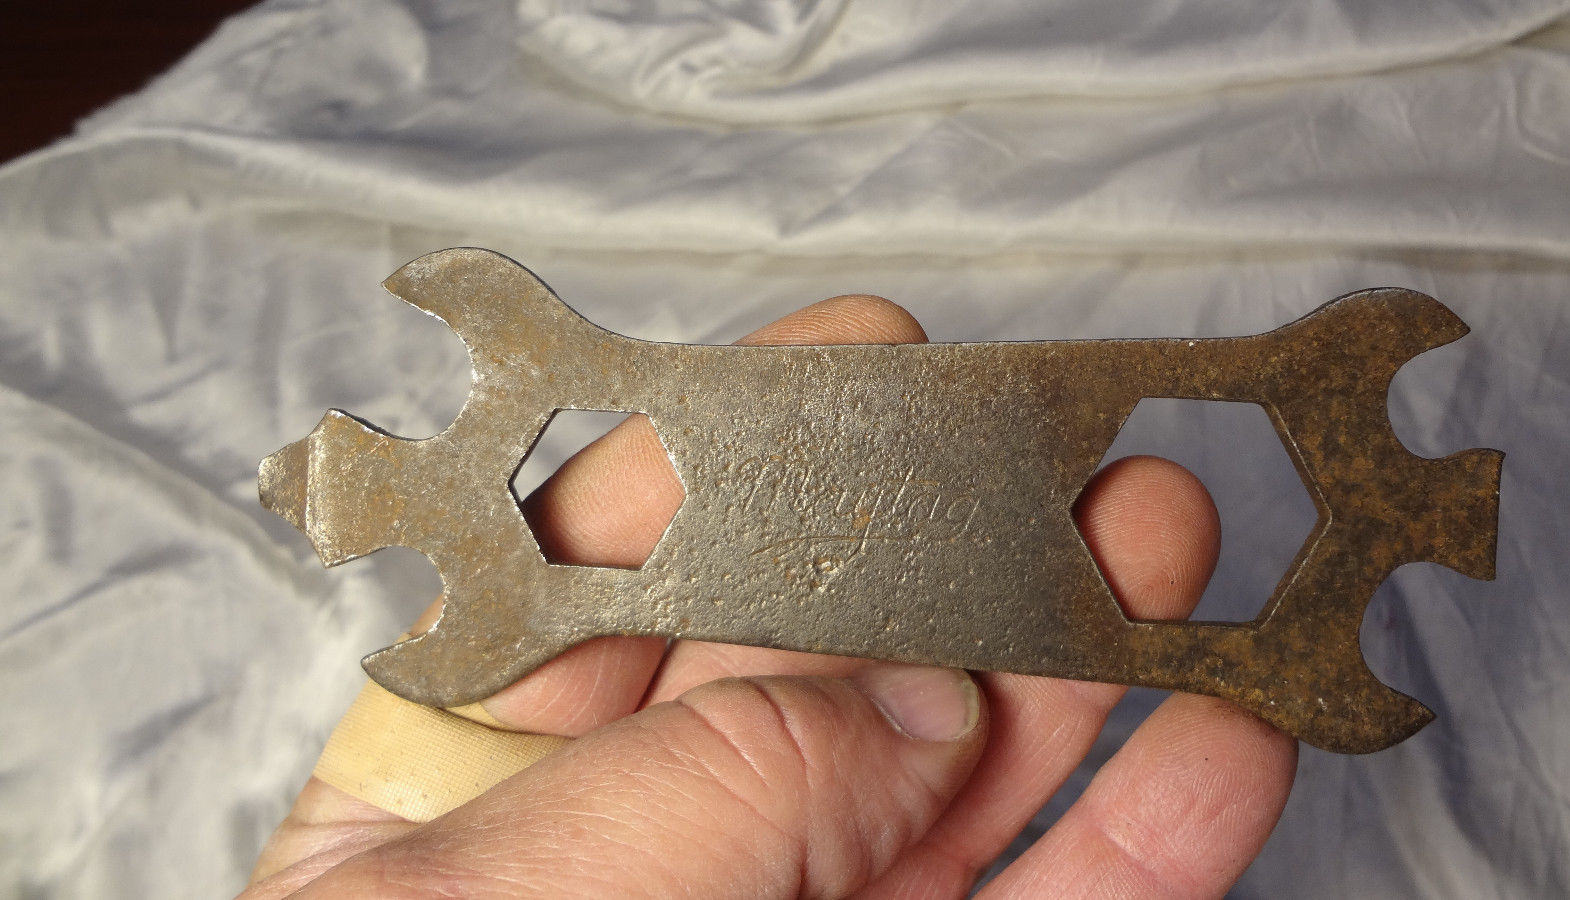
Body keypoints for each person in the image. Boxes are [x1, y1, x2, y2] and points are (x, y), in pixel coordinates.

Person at [242, 295, 1296, 898]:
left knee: (1136, 534)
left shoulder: (535, 392)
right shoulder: (512, 613)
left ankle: (1289, 375)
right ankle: (1287, 389)